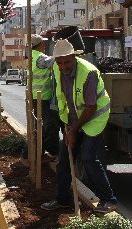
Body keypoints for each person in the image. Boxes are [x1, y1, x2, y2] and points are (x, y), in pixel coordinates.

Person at [41, 39, 117, 214]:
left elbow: (91, 106)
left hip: (93, 119)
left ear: (73, 57)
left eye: (66, 61)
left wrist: (74, 131)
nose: (63, 66)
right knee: (64, 160)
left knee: (89, 159)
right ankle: (62, 199)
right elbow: (64, 98)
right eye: (59, 62)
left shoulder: (88, 73)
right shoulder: (57, 68)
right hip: (73, 120)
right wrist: (68, 127)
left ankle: (109, 199)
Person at [22, 34, 60, 162]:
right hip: (41, 98)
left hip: (34, 96)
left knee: (38, 127)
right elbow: (56, 62)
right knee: (42, 127)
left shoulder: (31, 57)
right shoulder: (40, 58)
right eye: (44, 43)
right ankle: (28, 156)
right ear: (41, 45)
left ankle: (34, 155)